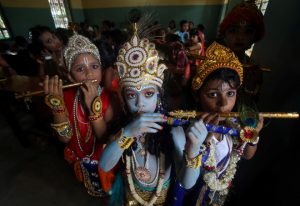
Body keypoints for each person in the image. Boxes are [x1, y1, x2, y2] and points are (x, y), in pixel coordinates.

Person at [99, 24, 207, 205]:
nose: (140, 103)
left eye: (148, 94)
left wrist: (194, 149)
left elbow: (187, 183)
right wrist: (128, 133)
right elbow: (104, 166)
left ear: (159, 97)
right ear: (124, 99)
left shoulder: (173, 131)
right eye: (131, 95)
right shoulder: (123, 129)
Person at [183, 41, 264, 205]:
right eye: (213, 95)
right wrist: (205, 140)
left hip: (221, 194)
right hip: (193, 195)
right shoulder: (189, 129)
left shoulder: (234, 124)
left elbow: (247, 155)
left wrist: (253, 135)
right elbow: (187, 178)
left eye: (230, 93)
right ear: (197, 95)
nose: (223, 103)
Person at [43, 34, 114, 197]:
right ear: (70, 76)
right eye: (80, 69)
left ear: (102, 70)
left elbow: (104, 137)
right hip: (78, 156)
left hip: (103, 157)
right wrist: (58, 108)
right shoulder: (66, 96)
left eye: (95, 66)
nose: (89, 74)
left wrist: (93, 109)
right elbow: (64, 139)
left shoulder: (110, 98)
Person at [218, 1, 265, 102]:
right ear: (224, 34)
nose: (240, 37)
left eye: (248, 31)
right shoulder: (211, 61)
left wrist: (250, 88)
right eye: (233, 30)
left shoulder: (253, 69)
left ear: (255, 37)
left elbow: (252, 104)